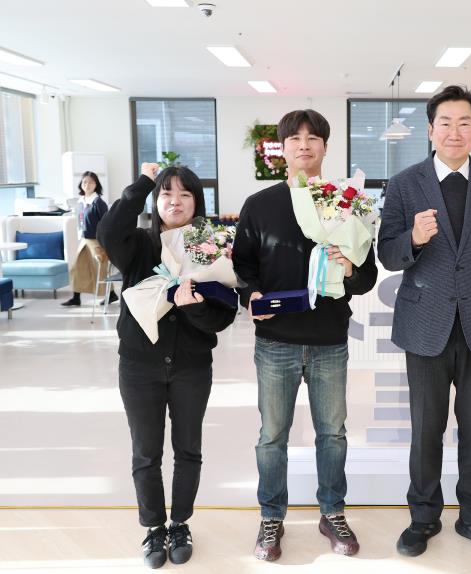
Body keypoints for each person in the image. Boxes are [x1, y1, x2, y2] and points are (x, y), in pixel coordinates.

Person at [377, 85, 471, 560]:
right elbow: (386, 254)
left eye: (465, 123)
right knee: (426, 428)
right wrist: (414, 239)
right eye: (445, 122)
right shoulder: (404, 183)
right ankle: (423, 517)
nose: (454, 132)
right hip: (426, 325)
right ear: (430, 130)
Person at [232, 109, 378, 561]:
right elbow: (242, 266)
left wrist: (349, 268)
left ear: (325, 147)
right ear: (283, 148)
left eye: (313, 138)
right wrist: (251, 295)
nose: (304, 145)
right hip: (276, 339)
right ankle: (271, 516)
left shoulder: (345, 202)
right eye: (295, 138)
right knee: (272, 435)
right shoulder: (260, 205)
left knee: (332, 433)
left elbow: (368, 276)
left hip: (329, 338)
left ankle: (332, 511)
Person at [98, 163, 237, 569]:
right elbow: (107, 232)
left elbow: (222, 317)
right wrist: (143, 182)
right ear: (155, 200)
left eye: (185, 194)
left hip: (192, 366)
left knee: (188, 449)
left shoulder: (209, 244)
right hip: (139, 366)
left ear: (197, 202)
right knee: (146, 452)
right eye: (166, 193)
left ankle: (180, 524)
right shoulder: (139, 244)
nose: (175, 202)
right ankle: (154, 527)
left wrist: (192, 308)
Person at [61, 171, 117, 307]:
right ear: (81, 184)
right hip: (84, 240)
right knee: (77, 267)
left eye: (91, 182)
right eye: (85, 182)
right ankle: (76, 298)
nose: (87, 184)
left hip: (96, 241)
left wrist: (105, 243)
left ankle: (111, 294)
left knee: (101, 269)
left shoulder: (98, 203)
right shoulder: (80, 202)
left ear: (96, 185)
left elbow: (106, 224)